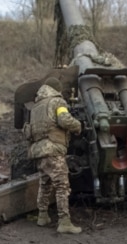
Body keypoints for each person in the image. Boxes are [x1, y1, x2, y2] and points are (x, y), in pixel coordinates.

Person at [25, 77, 83, 235]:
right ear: (57, 89)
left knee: (45, 184)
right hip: (53, 149)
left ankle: (42, 216)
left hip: (39, 151)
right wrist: (78, 126)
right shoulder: (57, 102)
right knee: (62, 186)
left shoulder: (37, 106)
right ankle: (64, 222)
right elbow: (64, 120)